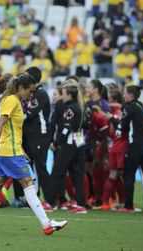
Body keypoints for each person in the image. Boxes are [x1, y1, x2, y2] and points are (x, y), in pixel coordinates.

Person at [0, 73, 67, 235]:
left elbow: (11, 130)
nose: (31, 95)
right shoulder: (12, 101)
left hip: (7, 152)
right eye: (29, 91)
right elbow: (0, 124)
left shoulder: (12, 100)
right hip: (10, 153)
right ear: (20, 88)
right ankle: (47, 224)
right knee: (28, 184)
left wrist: (19, 151)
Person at [48, 81, 88, 214]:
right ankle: (81, 204)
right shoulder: (80, 107)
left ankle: (50, 202)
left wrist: (56, 143)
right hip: (79, 143)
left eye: (63, 93)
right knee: (77, 174)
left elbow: (66, 128)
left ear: (69, 95)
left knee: (57, 172)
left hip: (69, 144)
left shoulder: (70, 108)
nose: (61, 96)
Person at [119, 85, 143, 213]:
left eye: (125, 93)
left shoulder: (129, 107)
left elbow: (122, 127)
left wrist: (112, 119)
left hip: (135, 146)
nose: (123, 96)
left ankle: (128, 206)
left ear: (131, 95)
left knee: (129, 175)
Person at [22, 67, 53, 210]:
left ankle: (48, 199)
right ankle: (34, 198)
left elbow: (28, 114)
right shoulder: (31, 94)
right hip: (30, 136)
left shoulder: (40, 94)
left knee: (40, 167)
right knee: (32, 167)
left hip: (40, 136)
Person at [101, 89, 127, 210]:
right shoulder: (120, 110)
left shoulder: (112, 110)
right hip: (119, 145)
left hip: (112, 145)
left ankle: (107, 202)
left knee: (113, 175)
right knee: (119, 175)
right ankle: (120, 201)